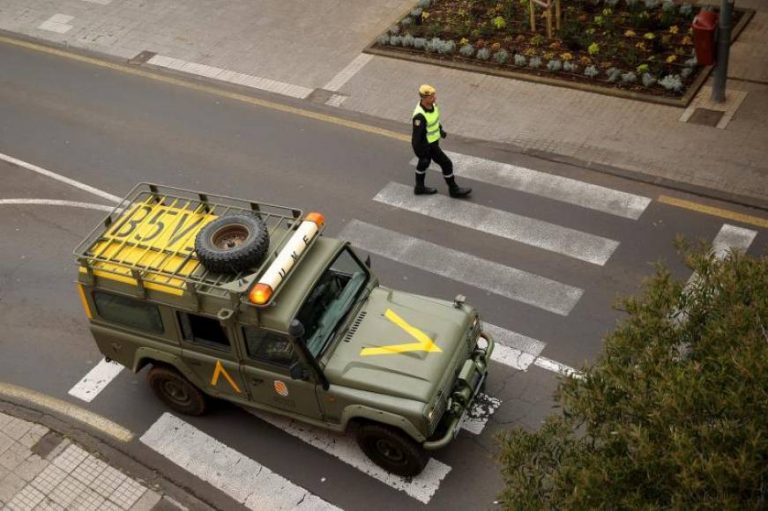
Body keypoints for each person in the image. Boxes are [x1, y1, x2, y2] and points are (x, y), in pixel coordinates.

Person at [411, 84, 471, 198]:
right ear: (424, 98)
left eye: (434, 96)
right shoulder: (419, 116)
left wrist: (440, 130)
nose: (435, 98)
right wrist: (421, 154)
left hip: (433, 142)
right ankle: (453, 189)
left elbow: (434, 120)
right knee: (446, 163)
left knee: (423, 164)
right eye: (431, 97)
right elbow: (416, 138)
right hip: (428, 146)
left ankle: (419, 187)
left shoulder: (433, 105)